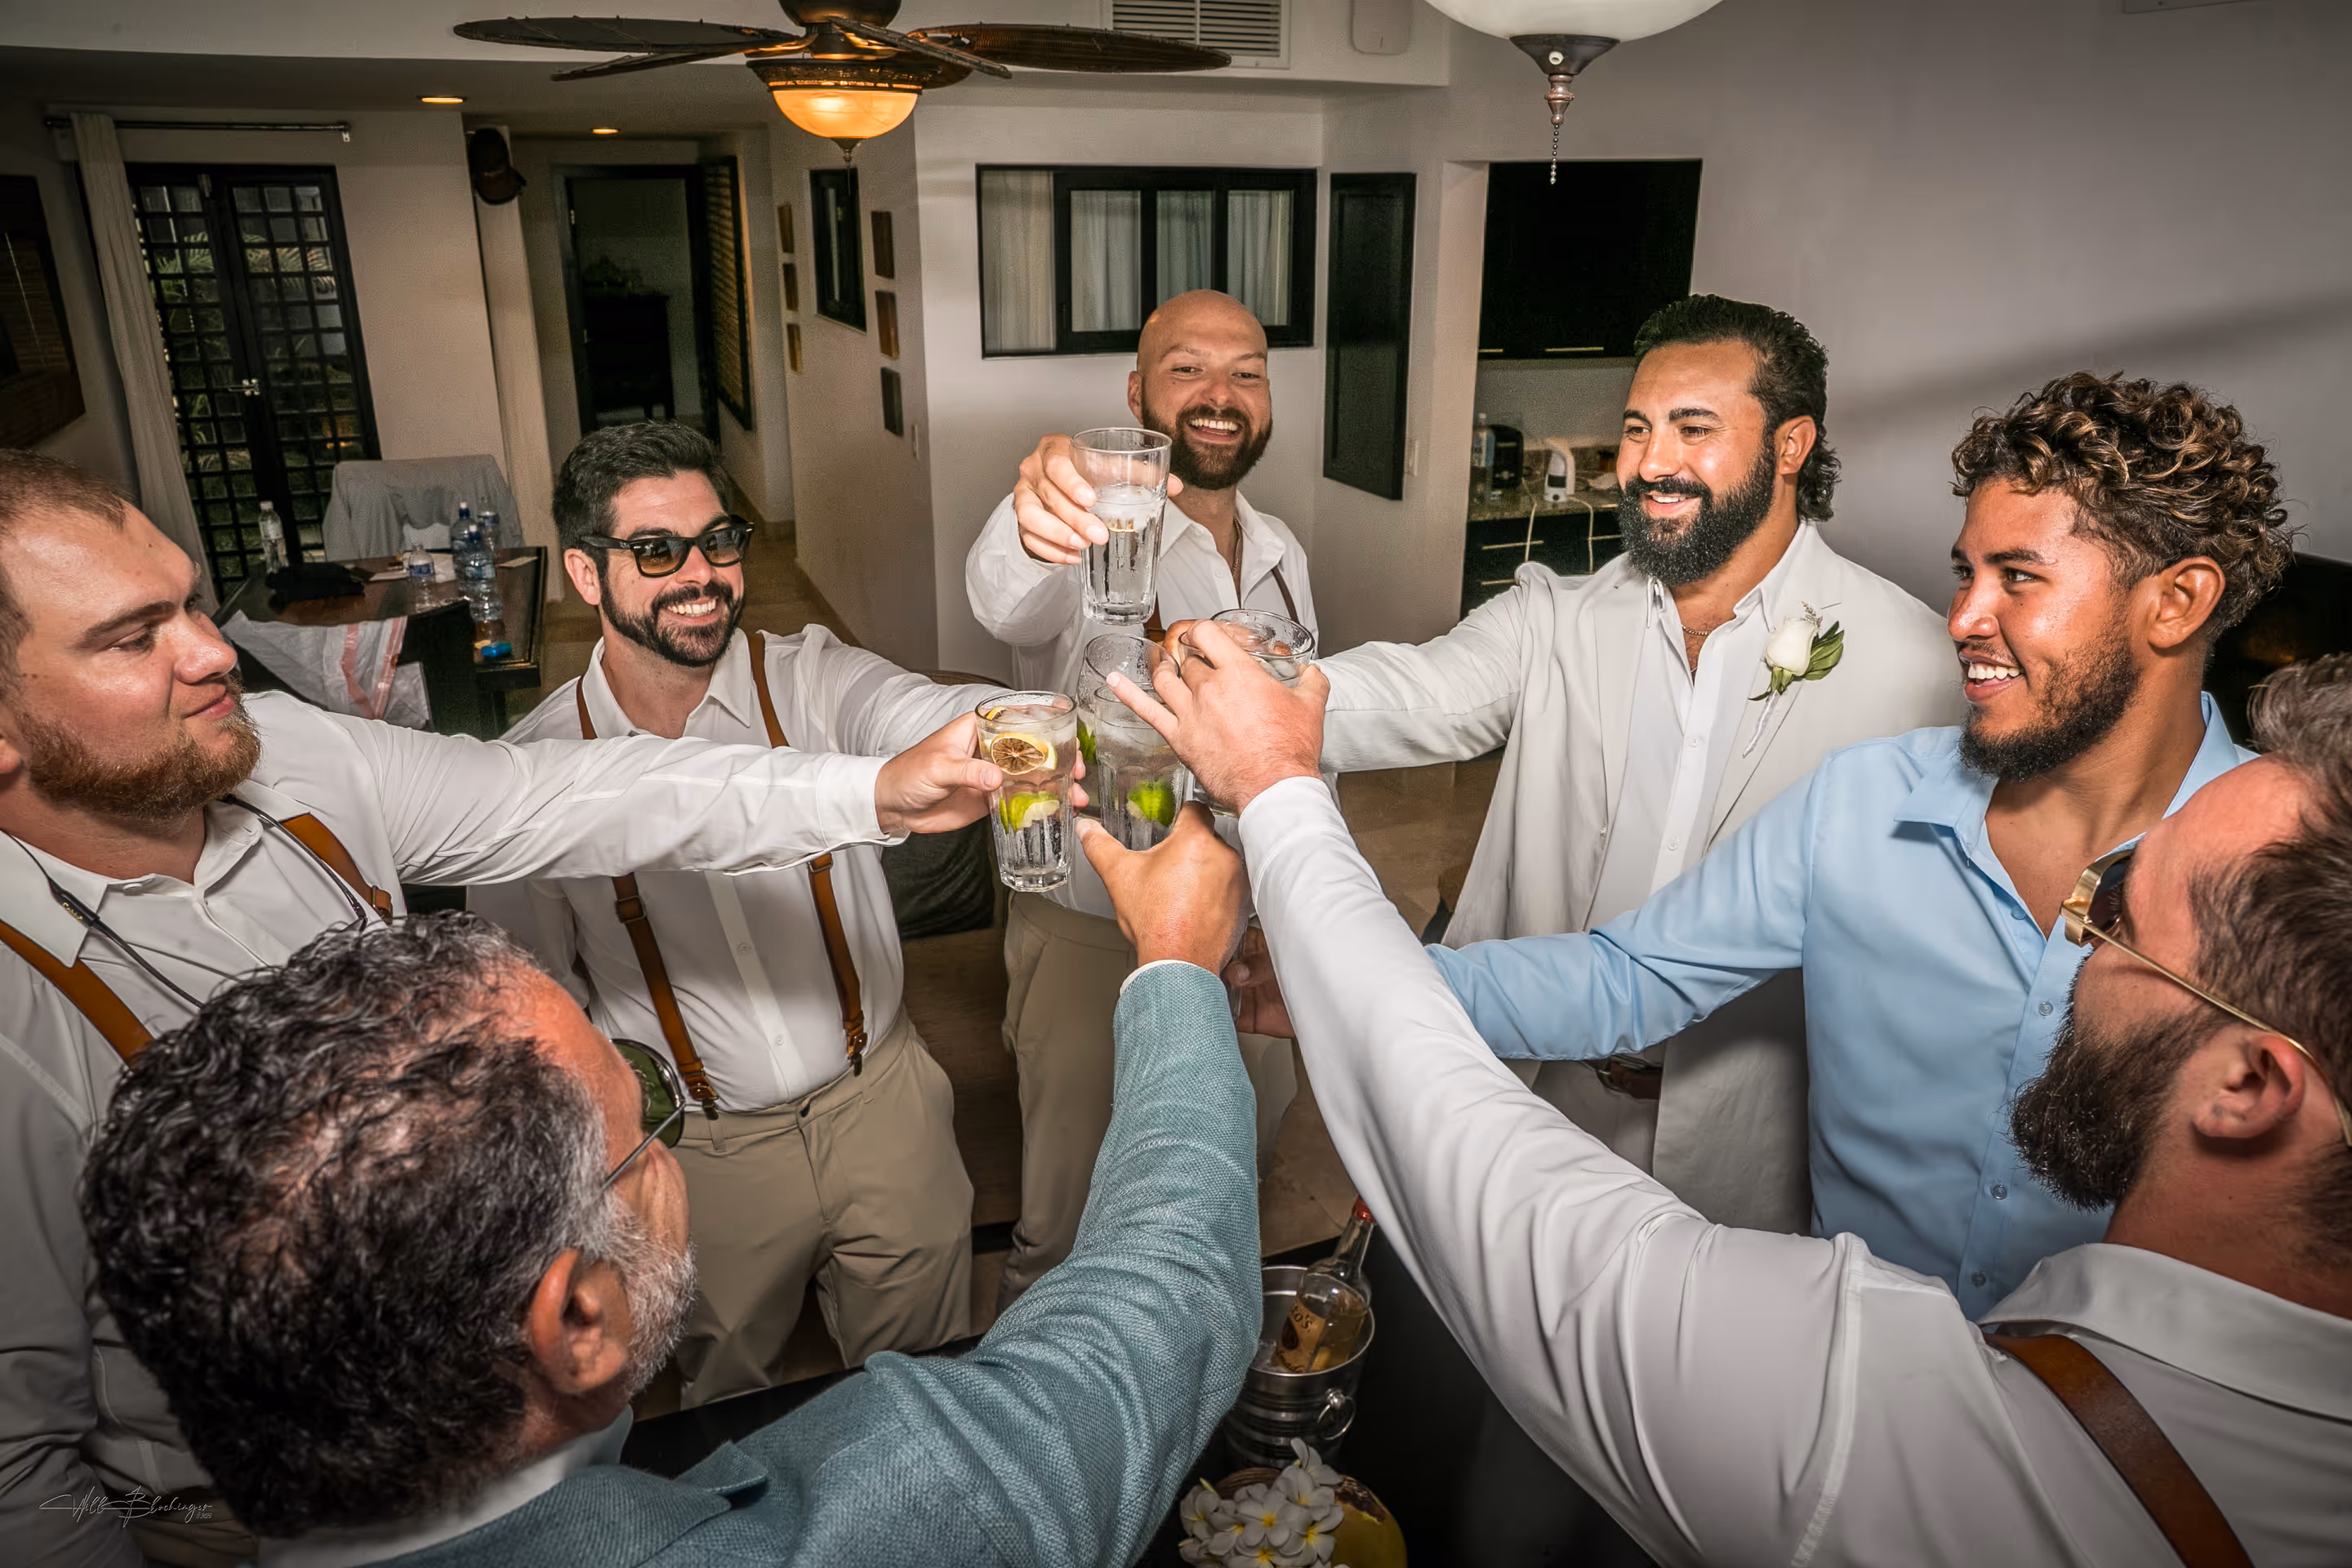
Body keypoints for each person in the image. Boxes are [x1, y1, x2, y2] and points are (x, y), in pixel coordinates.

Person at [1132, 621, 2350, 1566]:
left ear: (2249, 1083)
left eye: (2118, 917)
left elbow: (1473, 1169)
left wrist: (1278, 783)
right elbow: (1629, 976)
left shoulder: (1895, 1434)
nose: (2069, 941)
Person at [0, 450, 1000, 1568]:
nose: (213, 651)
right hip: (239, 1520)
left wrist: (874, 790)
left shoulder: (302, 759)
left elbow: (577, 793)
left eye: (191, 605)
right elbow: (17, 1464)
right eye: (132, 638)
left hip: (503, 1426)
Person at [79, 803, 1262, 1567]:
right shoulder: (884, 1517)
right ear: (577, 1323)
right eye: (642, 1131)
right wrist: (1175, 968)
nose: (662, 1151)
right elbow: (1159, 1310)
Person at [1356, 371, 2295, 1315]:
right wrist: (1350, 975)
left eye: (2018, 577)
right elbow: (1624, 981)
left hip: (2110, 1399)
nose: (1964, 619)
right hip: (1841, 1364)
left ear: (2177, 603)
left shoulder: (2301, 875)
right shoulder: (1861, 802)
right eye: (1967, 574)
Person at [1251, 295, 1964, 1232]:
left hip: (1749, 1139)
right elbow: (1415, 693)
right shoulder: (1558, 615)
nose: (1649, 463)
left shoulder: (1915, 667)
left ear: (1791, 446)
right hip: (1531, 1090)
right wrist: (1248, 694)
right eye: (1636, 428)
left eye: (1693, 429)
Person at [472, 424, 1004, 1404]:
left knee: (930, 1390)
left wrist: (1005, 728)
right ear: (586, 575)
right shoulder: (534, 773)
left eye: (718, 541)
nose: (701, 575)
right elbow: (533, 1007)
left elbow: (912, 710)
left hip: (885, 1104)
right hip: (705, 1155)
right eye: (656, 551)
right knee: (731, 1410)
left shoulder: (808, 676)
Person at [964, 288, 1312, 1304]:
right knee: (1071, 1219)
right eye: (1187, 369)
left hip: (1247, 928)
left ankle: (1204, 1371)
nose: (1220, 395)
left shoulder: (1283, 553)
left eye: (1247, 373)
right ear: (1136, 393)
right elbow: (1000, 596)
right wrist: (1041, 505)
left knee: (1227, 1182)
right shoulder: (1087, 532)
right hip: (1095, 936)